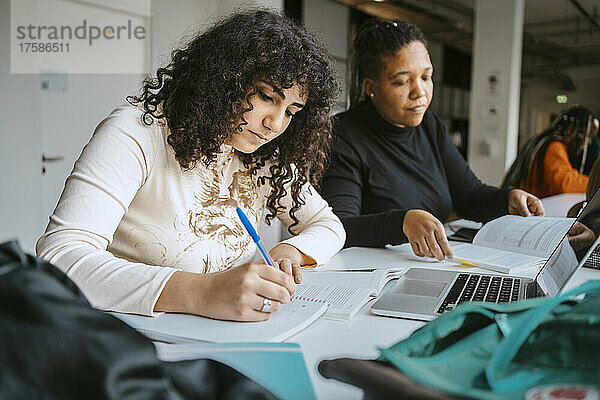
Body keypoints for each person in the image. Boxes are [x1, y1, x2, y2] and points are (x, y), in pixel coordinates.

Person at [36, 11, 345, 322]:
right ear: (226, 77)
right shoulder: (138, 132)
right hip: (125, 337)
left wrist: (291, 252)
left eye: (291, 111)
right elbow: (60, 257)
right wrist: (202, 292)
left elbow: (328, 225)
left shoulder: (264, 157)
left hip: (220, 337)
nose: (274, 124)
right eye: (267, 97)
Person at [320, 18, 543, 261]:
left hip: (429, 264)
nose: (420, 92)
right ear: (370, 87)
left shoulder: (430, 125)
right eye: (403, 81)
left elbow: (468, 194)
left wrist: (507, 199)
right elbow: (339, 227)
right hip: (371, 276)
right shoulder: (342, 135)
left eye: (426, 77)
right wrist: (402, 222)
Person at [503, 105, 599, 198]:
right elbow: (564, 184)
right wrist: (596, 183)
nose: (589, 142)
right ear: (571, 129)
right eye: (587, 136)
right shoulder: (554, 147)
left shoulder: (541, 140)